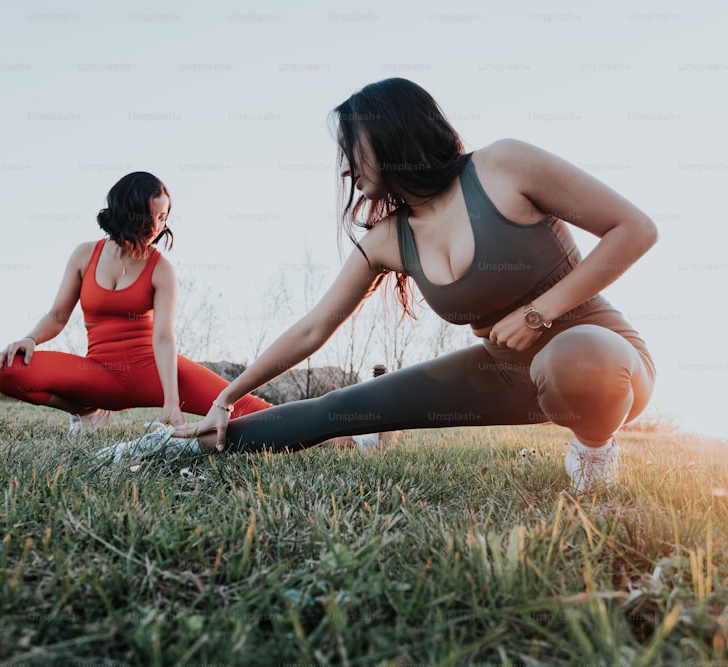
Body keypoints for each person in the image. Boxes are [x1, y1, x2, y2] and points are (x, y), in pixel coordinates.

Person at [127, 78, 658, 493]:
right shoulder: (387, 240)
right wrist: (227, 396)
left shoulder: (504, 166)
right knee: (338, 409)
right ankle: (176, 448)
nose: (344, 169)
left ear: (391, 132)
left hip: (604, 362)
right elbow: (313, 328)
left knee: (574, 359)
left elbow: (635, 229)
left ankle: (594, 448)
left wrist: (541, 312)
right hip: (504, 371)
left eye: (350, 147)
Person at [0, 171, 272, 432]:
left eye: (163, 218)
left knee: (256, 412)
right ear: (128, 212)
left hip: (154, 373)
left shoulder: (161, 269)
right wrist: (31, 339)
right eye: (151, 216)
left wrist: (171, 402)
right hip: (99, 375)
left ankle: (315, 427)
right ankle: (88, 411)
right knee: (6, 371)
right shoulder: (85, 255)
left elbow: (163, 338)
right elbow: (57, 315)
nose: (156, 227)